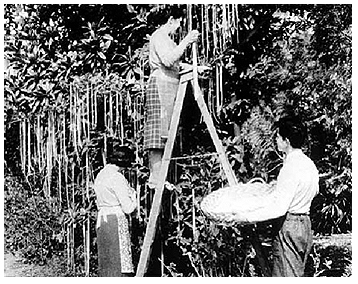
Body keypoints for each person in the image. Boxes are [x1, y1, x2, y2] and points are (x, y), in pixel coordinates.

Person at [241, 115, 319, 277]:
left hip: (289, 225)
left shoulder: (290, 167)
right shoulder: (308, 164)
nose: (276, 140)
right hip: (304, 224)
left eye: (278, 137)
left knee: (286, 275)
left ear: (286, 141)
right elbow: (314, 191)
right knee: (296, 273)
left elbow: (279, 207)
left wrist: (247, 216)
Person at [143, 6, 200, 190]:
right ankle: (155, 178)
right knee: (157, 134)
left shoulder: (166, 39)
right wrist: (187, 41)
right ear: (171, 20)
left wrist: (195, 68)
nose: (178, 27)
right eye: (178, 23)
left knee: (165, 134)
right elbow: (168, 60)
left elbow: (175, 63)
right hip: (159, 85)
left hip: (169, 85)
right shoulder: (158, 36)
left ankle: (159, 177)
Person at [93, 144, 137, 277]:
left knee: (107, 263)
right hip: (115, 221)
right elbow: (128, 208)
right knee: (119, 262)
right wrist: (134, 197)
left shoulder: (101, 175)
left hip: (102, 220)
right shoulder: (117, 178)